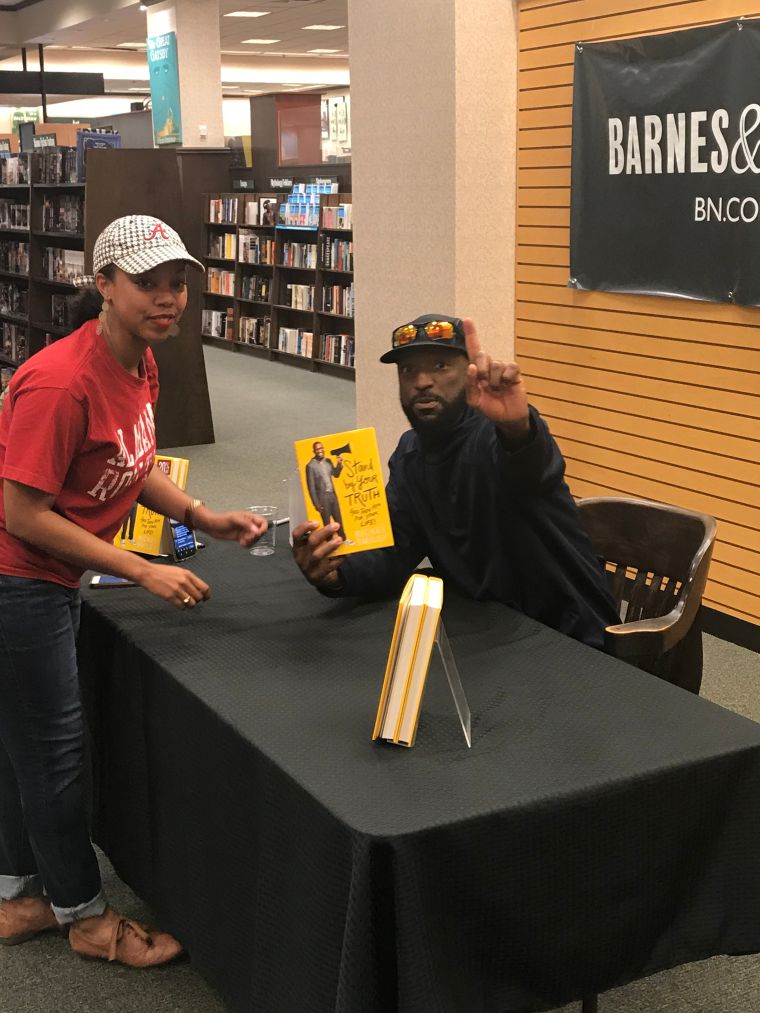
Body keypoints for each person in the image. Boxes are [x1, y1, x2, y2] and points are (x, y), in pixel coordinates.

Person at [0, 215, 269, 967]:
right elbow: (23, 512)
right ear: (105, 285)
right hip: (17, 577)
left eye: (176, 281)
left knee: (21, 740)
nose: (168, 297)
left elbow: (129, 461)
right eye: (148, 282)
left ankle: (21, 895)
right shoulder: (59, 382)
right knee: (53, 751)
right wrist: (139, 568)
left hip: (45, 573)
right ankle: (85, 919)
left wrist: (199, 515)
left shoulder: (140, 362)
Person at [292, 313, 620, 650]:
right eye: (408, 370)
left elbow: (532, 466)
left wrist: (518, 427)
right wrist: (336, 576)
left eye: (440, 365)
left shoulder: (497, 439)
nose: (421, 381)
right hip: (488, 632)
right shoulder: (410, 454)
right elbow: (395, 549)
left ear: (469, 375)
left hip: (571, 638)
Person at [305, 441, 346, 538]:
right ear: (314, 451)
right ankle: (329, 543)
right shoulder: (310, 466)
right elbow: (311, 487)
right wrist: (316, 504)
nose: (320, 451)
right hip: (322, 498)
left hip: (332, 495)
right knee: (327, 523)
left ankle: (343, 539)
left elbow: (336, 474)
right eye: (318, 449)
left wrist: (339, 464)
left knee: (338, 519)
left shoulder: (328, 461)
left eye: (321, 448)